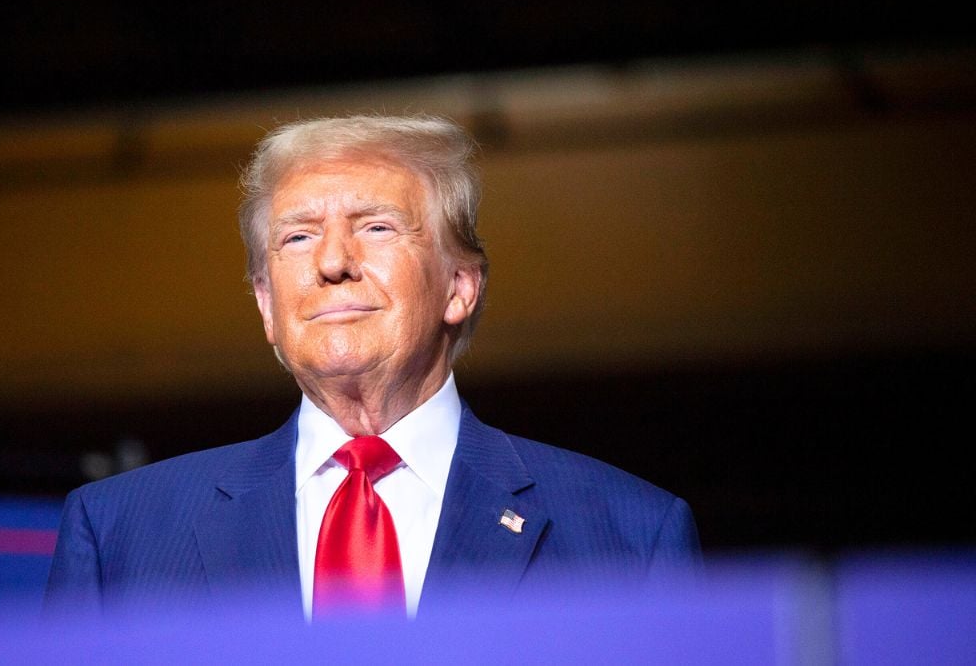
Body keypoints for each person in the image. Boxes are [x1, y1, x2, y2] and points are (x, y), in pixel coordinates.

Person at [44, 114, 700, 621]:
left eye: (377, 227)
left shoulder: (630, 538)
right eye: (298, 235)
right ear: (267, 304)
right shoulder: (118, 536)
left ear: (459, 286)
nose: (333, 261)